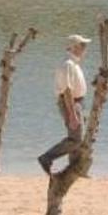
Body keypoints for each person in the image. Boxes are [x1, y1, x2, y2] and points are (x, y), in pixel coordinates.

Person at [38, 34, 91, 175]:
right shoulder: (67, 64)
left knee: (77, 140)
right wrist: (72, 114)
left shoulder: (73, 63)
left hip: (78, 102)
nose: (85, 49)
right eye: (83, 45)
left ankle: (75, 169)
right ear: (74, 47)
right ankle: (47, 157)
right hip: (71, 102)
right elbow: (67, 90)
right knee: (76, 139)